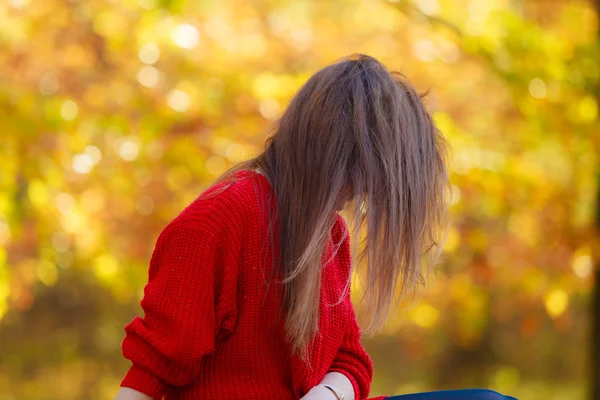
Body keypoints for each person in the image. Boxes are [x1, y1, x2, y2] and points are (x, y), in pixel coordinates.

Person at [114, 54, 517, 400]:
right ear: (333, 153)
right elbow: (152, 370)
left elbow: (350, 360)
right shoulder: (221, 219)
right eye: (358, 179)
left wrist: (325, 395)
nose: (359, 196)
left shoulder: (330, 234)